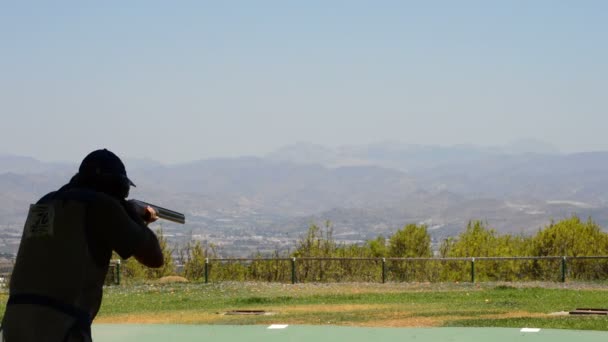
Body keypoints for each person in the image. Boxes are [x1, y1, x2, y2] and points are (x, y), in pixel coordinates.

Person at [1, 149, 164, 341]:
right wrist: (134, 218)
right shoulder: (103, 206)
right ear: (119, 187)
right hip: (62, 326)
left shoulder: (45, 203)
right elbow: (154, 257)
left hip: (14, 323)